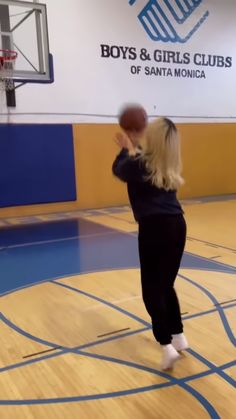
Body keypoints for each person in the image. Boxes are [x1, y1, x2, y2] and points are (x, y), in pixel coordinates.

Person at [112, 116, 188, 370]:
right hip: (177, 225)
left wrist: (127, 146)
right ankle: (179, 337)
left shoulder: (140, 163)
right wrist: (133, 148)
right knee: (166, 285)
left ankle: (166, 345)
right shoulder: (167, 161)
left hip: (155, 228)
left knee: (152, 290)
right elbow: (137, 163)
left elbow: (120, 169)